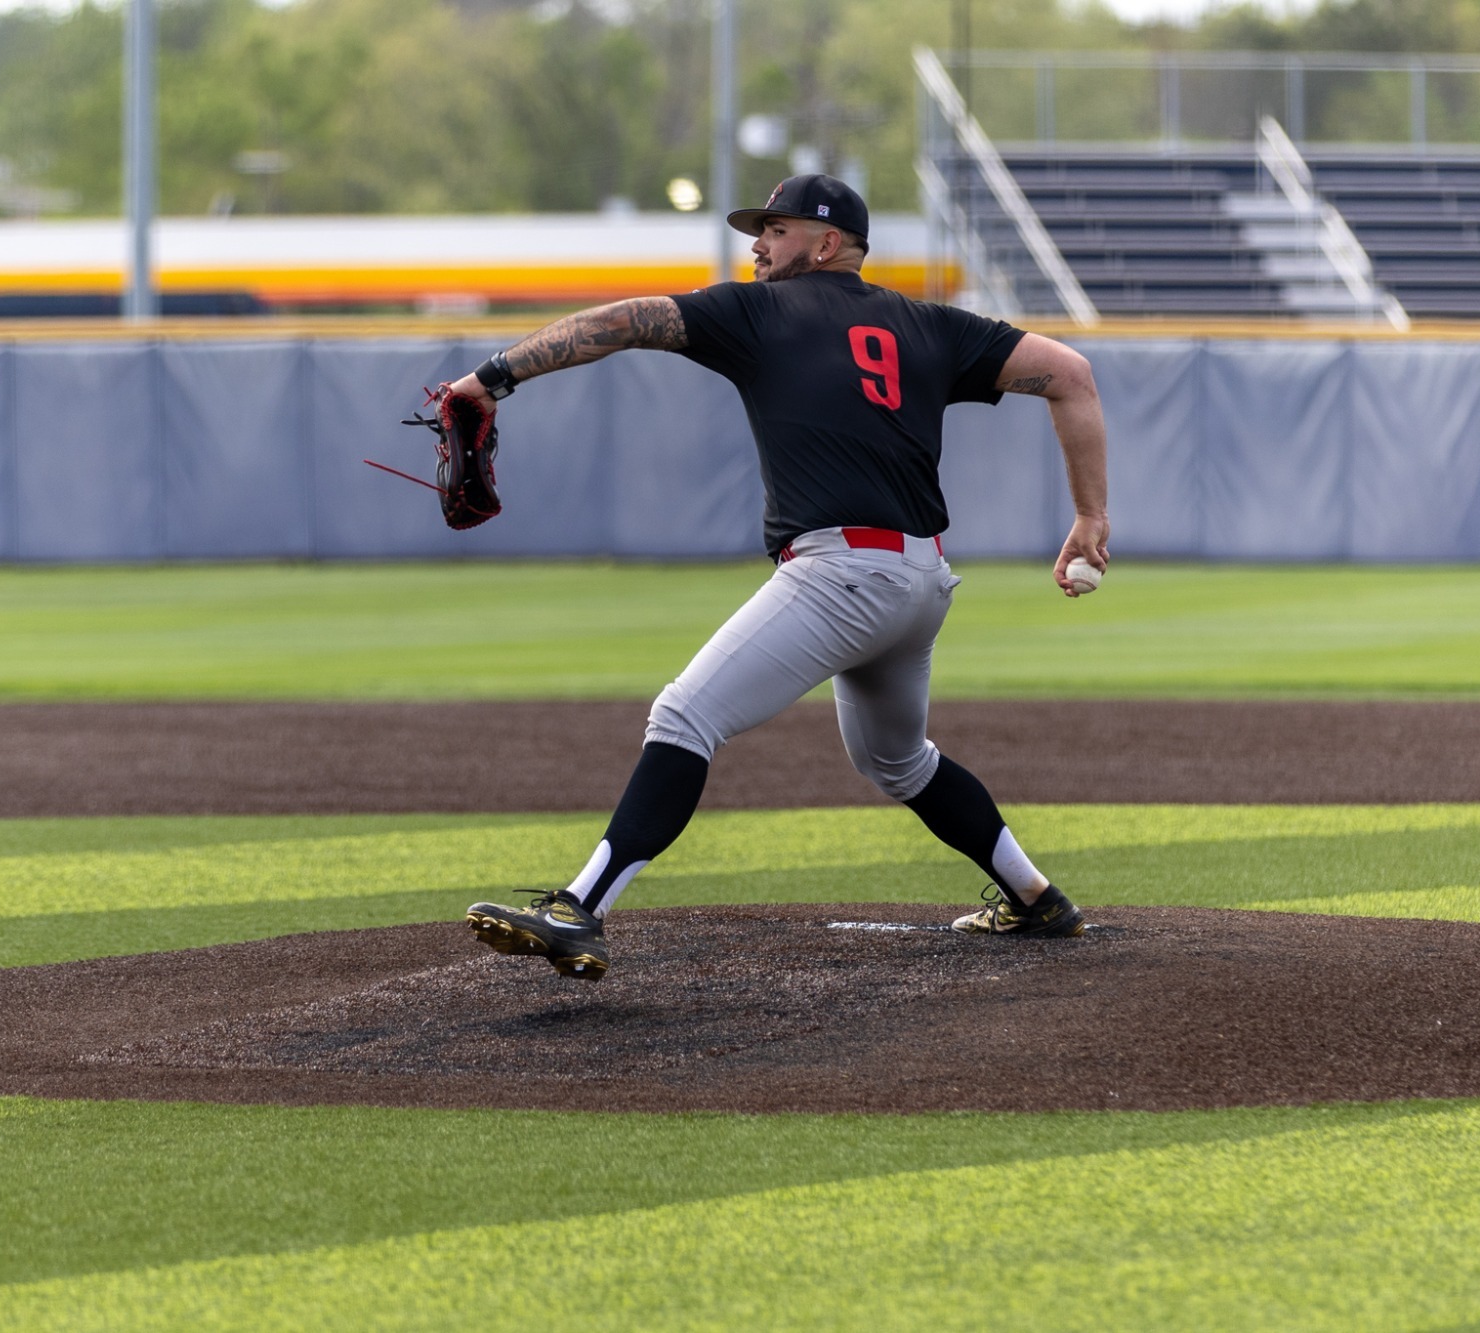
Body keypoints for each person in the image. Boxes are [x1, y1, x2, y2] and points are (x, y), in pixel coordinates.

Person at [456, 175, 1110, 980]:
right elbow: (1072, 372)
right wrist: (1090, 517)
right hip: (920, 581)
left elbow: (621, 322)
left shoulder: (759, 311)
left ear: (826, 243)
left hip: (841, 575)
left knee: (684, 716)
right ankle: (1035, 898)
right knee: (899, 762)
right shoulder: (933, 324)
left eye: (775, 230)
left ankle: (578, 907)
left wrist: (493, 377)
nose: (758, 245)